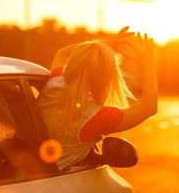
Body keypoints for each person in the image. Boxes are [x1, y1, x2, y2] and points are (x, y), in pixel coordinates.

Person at [37, 27, 158, 170]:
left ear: (75, 62)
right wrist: (148, 64)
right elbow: (149, 107)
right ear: (106, 79)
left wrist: (104, 44)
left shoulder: (54, 83)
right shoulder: (95, 117)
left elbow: (62, 53)